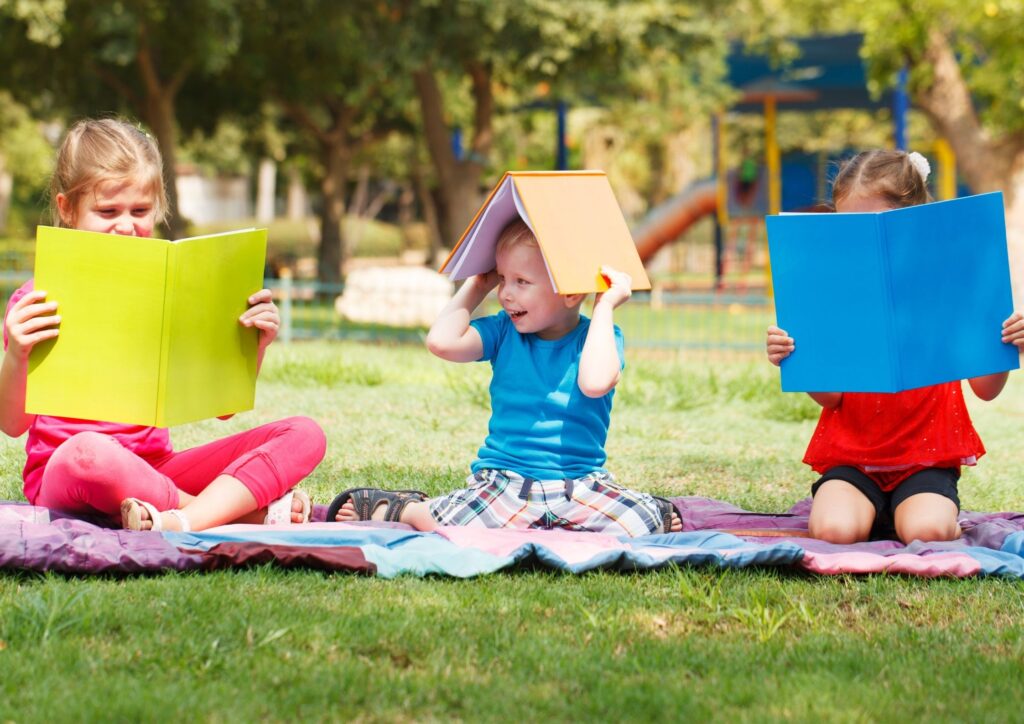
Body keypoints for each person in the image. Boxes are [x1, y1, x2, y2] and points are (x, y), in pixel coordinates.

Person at [0, 118, 326, 532]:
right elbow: (11, 425)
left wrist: (255, 344)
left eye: (140, 211)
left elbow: (224, 410)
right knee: (88, 454)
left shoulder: (175, 293)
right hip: (71, 474)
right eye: (107, 211)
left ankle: (181, 518)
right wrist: (16, 352)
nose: (126, 225)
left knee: (305, 433)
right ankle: (235, 515)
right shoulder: (39, 298)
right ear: (67, 208)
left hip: (158, 471)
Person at [327, 219, 681, 536]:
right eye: (501, 279)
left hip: (581, 485)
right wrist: (477, 286)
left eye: (521, 281)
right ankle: (403, 508)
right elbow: (441, 342)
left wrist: (603, 305)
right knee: (452, 526)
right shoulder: (503, 331)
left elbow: (594, 382)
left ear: (571, 293)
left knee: (641, 525)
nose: (505, 293)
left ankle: (647, 509)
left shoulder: (601, 336)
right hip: (506, 483)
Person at [766, 149, 1021, 545]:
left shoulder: (952, 284)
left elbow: (986, 390)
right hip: (853, 458)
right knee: (833, 531)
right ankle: (876, 514)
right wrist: (799, 358)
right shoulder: (833, 291)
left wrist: (1006, 343)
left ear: (913, 218)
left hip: (927, 457)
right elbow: (830, 399)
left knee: (928, 532)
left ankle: (916, 514)